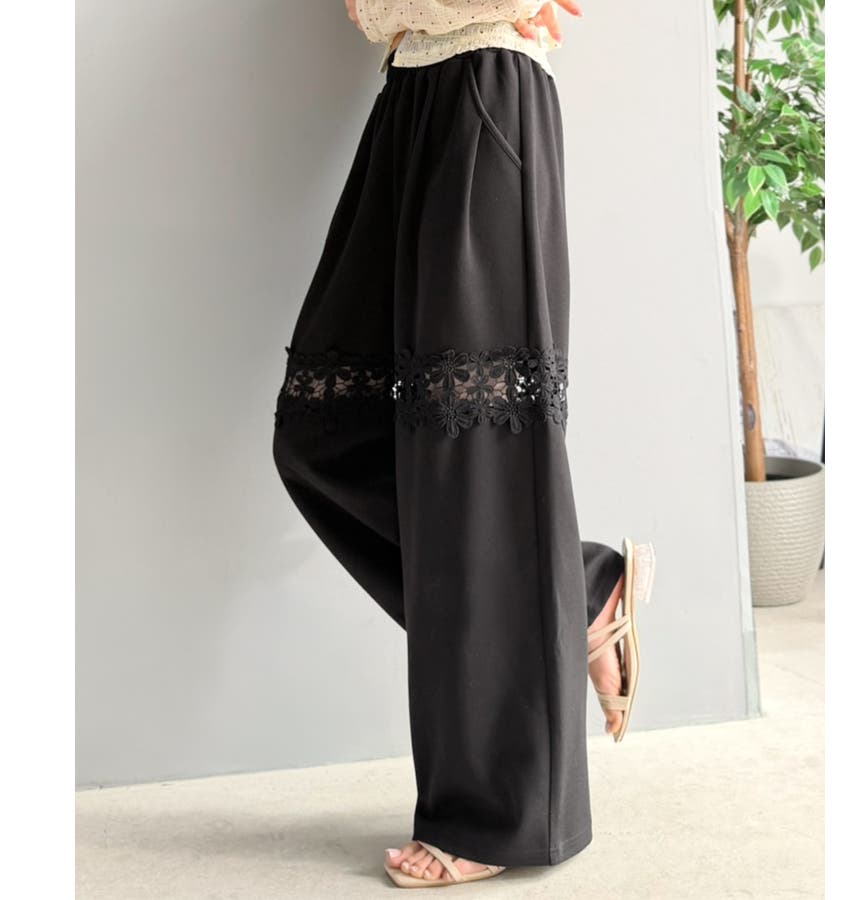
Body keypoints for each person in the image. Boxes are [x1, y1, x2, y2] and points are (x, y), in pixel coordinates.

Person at [272, 1, 657, 888]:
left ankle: (492, 814)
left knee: (477, 463)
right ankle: (578, 588)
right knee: (321, 436)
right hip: (409, 106)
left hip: (488, 95)